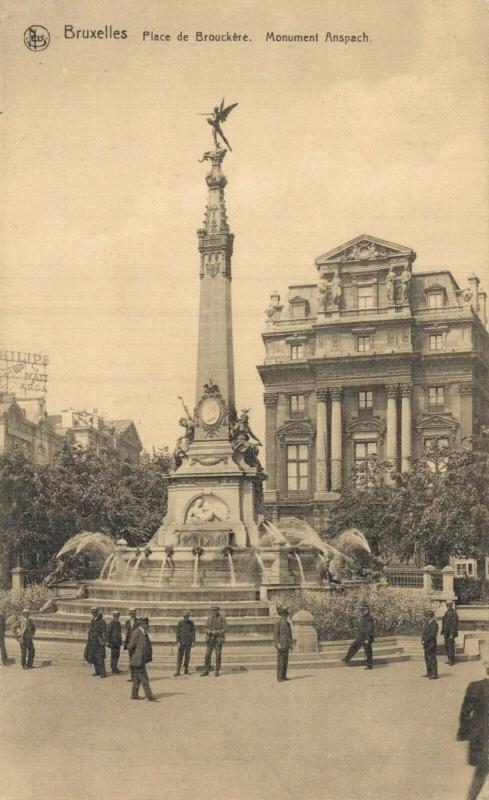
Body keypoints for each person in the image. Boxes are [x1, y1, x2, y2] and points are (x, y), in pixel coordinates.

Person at [457, 663, 489, 800]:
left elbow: (465, 713)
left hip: (481, 739)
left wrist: (464, 733)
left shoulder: (475, 687)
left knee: (481, 772)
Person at [128, 617, 156, 701]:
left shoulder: (143, 632)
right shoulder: (137, 632)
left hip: (140, 659)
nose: (147, 626)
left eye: (147, 624)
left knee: (137, 678)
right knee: (144, 678)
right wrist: (136, 654)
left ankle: (134, 695)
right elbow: (130, 646)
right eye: (145, 624)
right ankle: (149, 695)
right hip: (137, 660)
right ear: (141, 624)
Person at [342, 602, 375, 669]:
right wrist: (356, 629)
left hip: (366, 638)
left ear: (367, 610)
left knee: (368, 652)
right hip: (361, 637)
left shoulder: (369, 618)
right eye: (361, 610)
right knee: (353, 646)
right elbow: (362, 627)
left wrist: (367, 639)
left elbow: (370, 629)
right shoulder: (363, 617)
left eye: (364, 610)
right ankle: (347, 659)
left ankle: (369, 665)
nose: (362, 611)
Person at [201, 605, 226, 677]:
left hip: (218, 639)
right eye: (212, 610)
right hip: (210, 639)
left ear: (218, 610)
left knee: (218, 655)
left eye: (215, 610)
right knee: (207, 655)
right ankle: (206, 670)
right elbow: (205, 627)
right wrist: (208, 631)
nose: (214, 611)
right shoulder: (209, 618)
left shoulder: (222, 618)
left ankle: (217, 670)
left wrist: (217, 632)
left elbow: (225, 629)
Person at [84, 607, 107, 678]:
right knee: (93, 657)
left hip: (98, 642)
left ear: (97, 612)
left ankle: (103, 673)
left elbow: (104, 631)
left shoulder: (102, 621)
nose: (93, 613)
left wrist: (103, 640)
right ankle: (97, 671)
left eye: (95, 612)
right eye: (92, 612)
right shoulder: (92, 620)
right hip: (91, 642)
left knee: (99, 658)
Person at [273, 606, 294, 682]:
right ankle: (279, 677)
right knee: (280, 661)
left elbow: (290, 634)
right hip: (281, 645)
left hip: (287, 645)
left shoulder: (288, 624)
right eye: (284, 615)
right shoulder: (278, 624)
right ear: (281, 616)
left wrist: (291, 644)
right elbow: (276, 635)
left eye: (286, 615)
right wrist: (277, 643)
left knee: (285, 661)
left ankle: (284, 676)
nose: (285, 617)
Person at [174, 611, 196, 676]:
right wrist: (178, 642)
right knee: (179, 657)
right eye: (185, 617)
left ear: (189, 617)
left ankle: (186, 669)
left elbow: (193, 633)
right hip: (181, 642)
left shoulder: (191, 623)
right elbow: (177, 633)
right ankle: (178, 671)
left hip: (188, 642)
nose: (186, 618)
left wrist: (193, 641)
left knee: (187, 657)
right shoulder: (180, 623)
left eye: (187, 617)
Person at [421, 609, 439, 679]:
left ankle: (434, 674)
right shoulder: (428, 623)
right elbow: (424, 633)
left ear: (429, 616)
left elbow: (432, 635)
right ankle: (429, 673)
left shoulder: (434, 624)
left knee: (432, 659)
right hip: (426, 644)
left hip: (431, 644)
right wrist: (422, 639)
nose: (425, 618)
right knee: (427, 658)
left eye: (426, 616)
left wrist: (425, 640)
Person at [442, 600, 459, 666]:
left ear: (451, 605)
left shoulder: (454, 613)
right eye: (447, 605)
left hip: (450, 633)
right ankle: (449, 659)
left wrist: (452, 634)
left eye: (449, 605)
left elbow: (454, 624)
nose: (448, 606)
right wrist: (443, 630)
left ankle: (452, 660)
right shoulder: (447, 612)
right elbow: (444, 621)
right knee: (446, 646)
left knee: (450, 647)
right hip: (446, 632)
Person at [124, 607, 139, 682]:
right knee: (131, 661)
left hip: (136, 644)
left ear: (135, 613)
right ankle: (133, 677)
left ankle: (137, 677)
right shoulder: (127, 622)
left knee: (137, 661)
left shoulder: (139, 621)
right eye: (131, 613)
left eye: (133, 613)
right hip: (130, 644)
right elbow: (127, 634)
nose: (132, 614)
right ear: (129, 614)